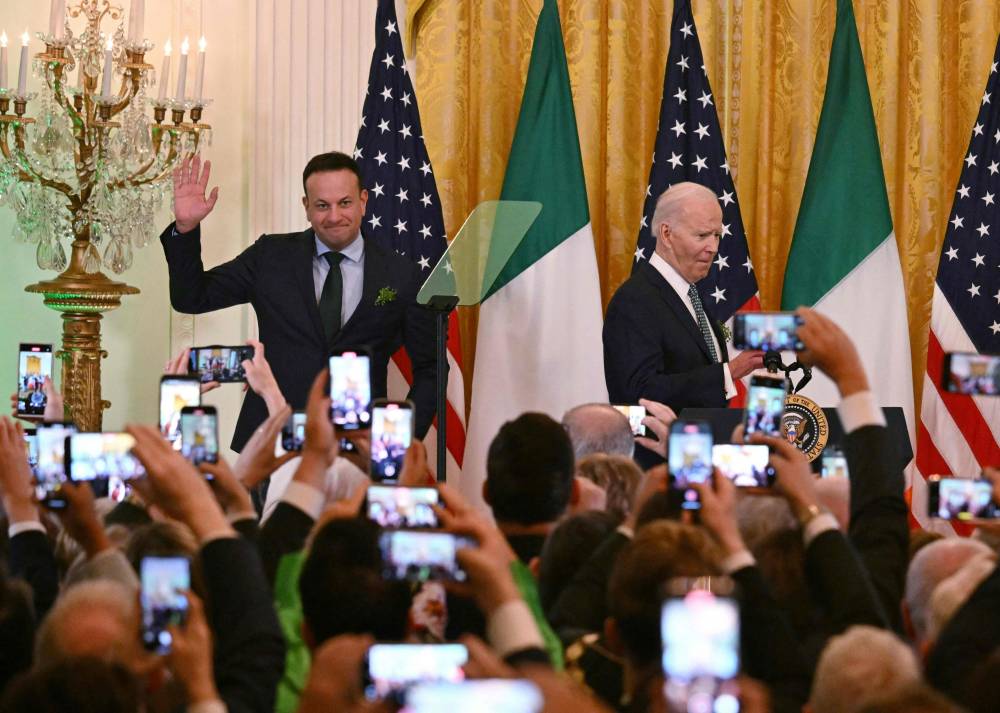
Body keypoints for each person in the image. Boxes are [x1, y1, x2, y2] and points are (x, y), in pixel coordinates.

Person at [159, 151, 440, 451]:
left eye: (344, 203)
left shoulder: (402, 274)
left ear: (363, 201)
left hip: (358, 447)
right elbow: (191, 297)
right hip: (270, 443)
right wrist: (185, 229)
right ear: (306, 207)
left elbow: (432, 368)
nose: (334, 216)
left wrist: (400, 439)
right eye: (322, 205)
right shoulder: (270, 256)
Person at [603, 182, 763, 415]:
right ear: (667, 234)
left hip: (699, 445)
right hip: (659, 449)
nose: (713, 247)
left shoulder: (691, 295)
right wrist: (728, 373)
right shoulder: (635, 300)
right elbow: (636, 394)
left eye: (717, 235)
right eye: (702, 235)